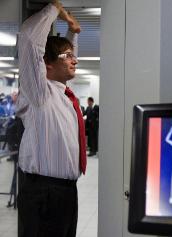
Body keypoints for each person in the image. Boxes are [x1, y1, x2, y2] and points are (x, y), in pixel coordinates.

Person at [16, 0, 86, 236]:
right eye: (68, 56)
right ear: (45, 64)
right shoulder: (39, 92)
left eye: (72, 55)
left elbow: (64, 59)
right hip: (43, 193)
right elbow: (28, 40)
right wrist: (55, 9)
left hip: (66, 192)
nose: (74, 60)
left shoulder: (65, 95)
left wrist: (72, 34)